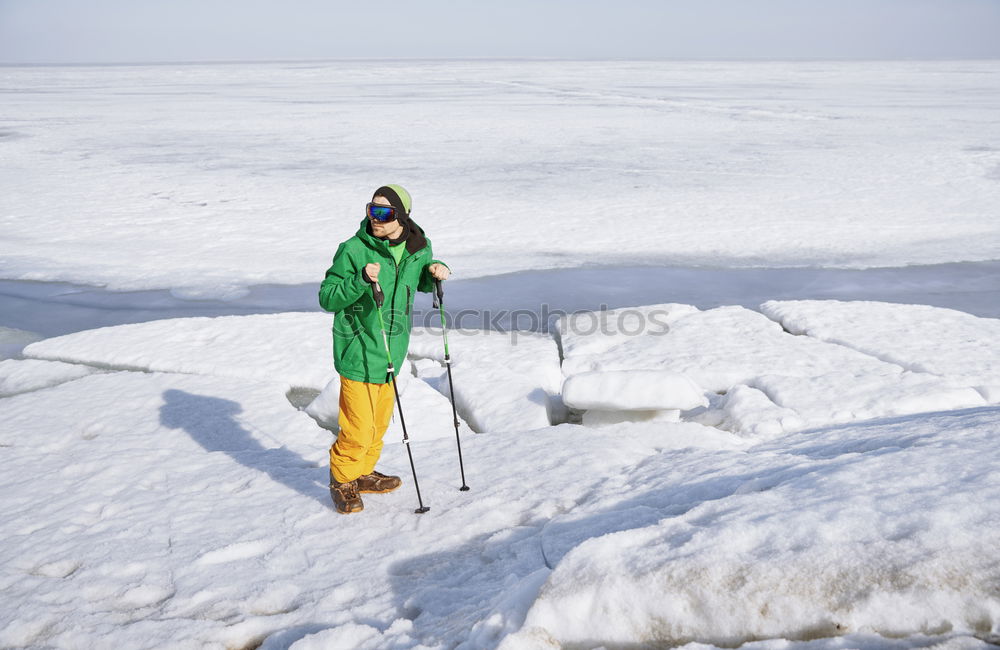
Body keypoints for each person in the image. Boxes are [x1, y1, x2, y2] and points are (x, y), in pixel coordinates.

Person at [318, 185, 450, 514]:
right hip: (358, 347)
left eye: (383, 212)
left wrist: (435, 271)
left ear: (401, 217)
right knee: (358, 426)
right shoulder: (353, 249)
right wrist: (360, 280)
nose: (374, 218)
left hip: (393, 349)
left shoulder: (419, 247)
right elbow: (327, 297)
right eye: (371, 210)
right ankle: (342, 479)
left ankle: (362, 472)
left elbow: (416, 281)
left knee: (378, 423)